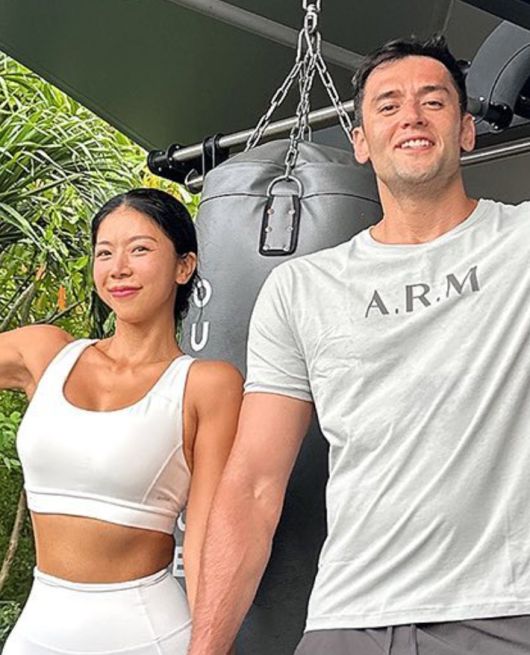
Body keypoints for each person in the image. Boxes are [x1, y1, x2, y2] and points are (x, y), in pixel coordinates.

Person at [187, 35, 530, 655]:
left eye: (434, 101)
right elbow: (254, 482)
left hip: (501, 614)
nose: (412, 116)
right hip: (347, 619)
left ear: (466, 131)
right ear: (361, 142)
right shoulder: (301, 287)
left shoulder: (522, 242)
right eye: (388, 105)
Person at [2, 188, 242, 655]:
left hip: (145, 635)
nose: (119, 268)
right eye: (105, 253)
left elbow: (205, 540)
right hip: (36, 630)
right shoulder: (45, 353)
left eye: (140, 249)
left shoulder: (206, 384)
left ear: (184, 266)